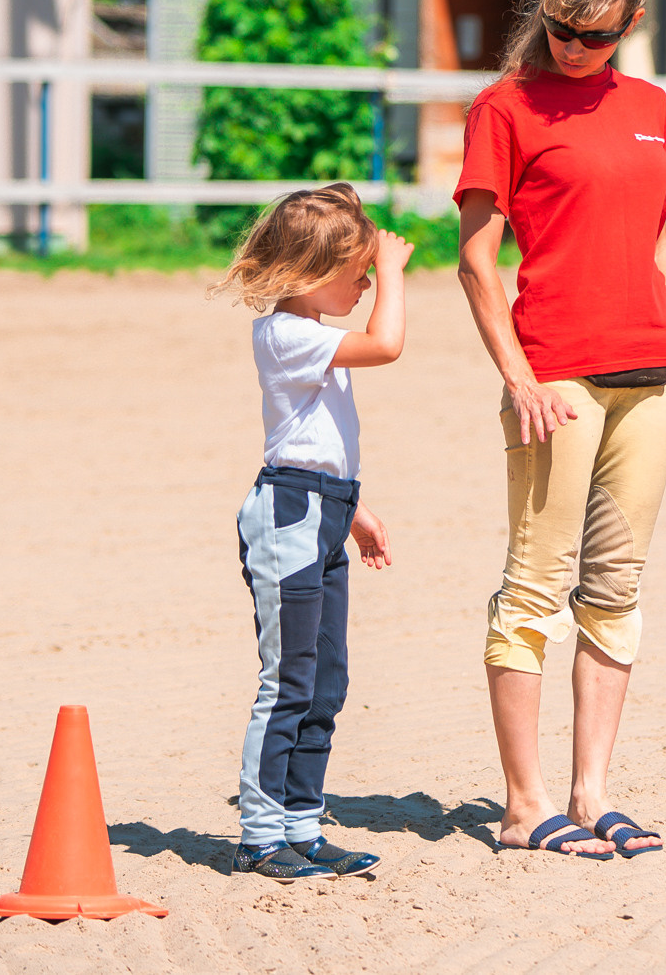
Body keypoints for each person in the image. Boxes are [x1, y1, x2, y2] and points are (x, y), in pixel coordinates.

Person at [454, 0, 666, 860]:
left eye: (594, 35)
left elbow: (652, 240)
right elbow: (476, 260)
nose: (574, 48)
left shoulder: (647, 106)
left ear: (631, 23)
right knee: (533, 590)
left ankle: (593, 794)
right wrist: (516, 375)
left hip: (649, 375)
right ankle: (524, 806)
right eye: (561, 28)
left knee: (616, 589)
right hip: (554, 373)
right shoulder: (504, 108)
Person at [213, 184, 413, 881]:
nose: (363, 282)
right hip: (291, 516)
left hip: (325, 509)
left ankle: (302, 824)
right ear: (310, 272)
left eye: (368, 272)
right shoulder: (286, 333)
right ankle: (261, 837)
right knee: (288, 681)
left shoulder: (317, 337)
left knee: (326, 681)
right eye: (354, 272)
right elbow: (388, 346)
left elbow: (311, 437)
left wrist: (354, 509)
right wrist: (392, 274)